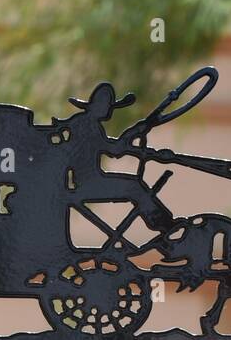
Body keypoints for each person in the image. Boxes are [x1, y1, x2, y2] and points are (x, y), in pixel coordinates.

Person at [65, 83, 173, 233]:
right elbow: (114, 149)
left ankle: (164, 224)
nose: (107, 109)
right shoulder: (85, 125)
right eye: (105, 105)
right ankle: (164, 226)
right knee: (134, 187)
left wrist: (137, 132)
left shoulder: (87, 123)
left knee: (135, 186)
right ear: (96, 106)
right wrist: (136, 130)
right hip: (88, 182)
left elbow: (112, 148)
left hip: (89, 180)